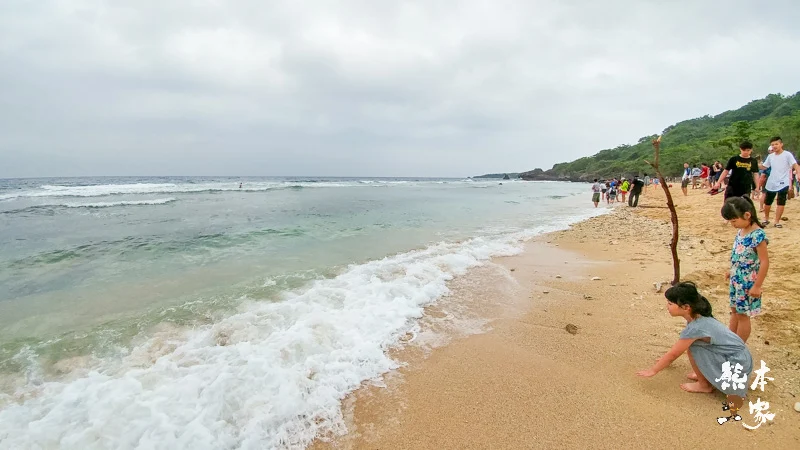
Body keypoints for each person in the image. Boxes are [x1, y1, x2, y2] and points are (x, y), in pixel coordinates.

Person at [636, 282, 752, 417]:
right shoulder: (699, 317)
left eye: (670, 304)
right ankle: (704, 375)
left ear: (686, 307)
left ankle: (704, 385)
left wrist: (653, 370)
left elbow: (674, 353)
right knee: (694, 344)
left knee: (693, 346)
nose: (667, 307)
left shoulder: (696, 327)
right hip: (741, 359)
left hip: (736, 366)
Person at [720, 196, 769, 343]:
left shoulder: (757, 235)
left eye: (734, 221)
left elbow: (764, 261)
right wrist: (732, 270)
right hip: (737, 279)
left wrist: (757, 285)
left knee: (743, 314)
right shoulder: (741, 231)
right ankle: (730, 341)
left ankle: (738, 346)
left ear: (747, 215)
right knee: (734, 310)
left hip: (748, 282)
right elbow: (740, 255)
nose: (732, 224)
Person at [760, 136, 800, 228]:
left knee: (781, 202)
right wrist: (753, 164)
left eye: (776, 144)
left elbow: (795, 165)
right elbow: (764, 167)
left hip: (783, 182)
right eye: (772, 145)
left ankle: (777, 221)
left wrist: (798, 174)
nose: (774, 146)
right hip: (771, 182)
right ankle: (766, 219)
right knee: (768, 202)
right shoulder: (770, 156)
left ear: (781, 144)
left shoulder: (787, 154)